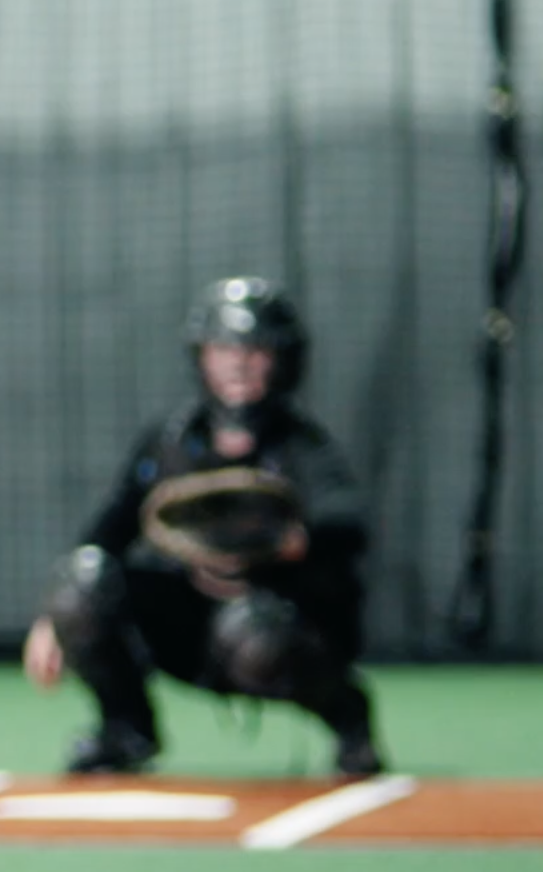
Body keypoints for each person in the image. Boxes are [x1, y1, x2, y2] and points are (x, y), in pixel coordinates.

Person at [19, 276, 386, 781]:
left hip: (272, 627)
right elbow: (111, 528)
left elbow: (348, 523)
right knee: (79, 586)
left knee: (252, 634)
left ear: (283, 360)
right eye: (223, 349)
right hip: (186, 622)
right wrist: (52, 619)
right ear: (202, 357)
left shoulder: (303, 448)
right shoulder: (171, 441)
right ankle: (125, 730)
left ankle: (347, 716)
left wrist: (290, 543)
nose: (237, 363)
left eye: (255, 350)